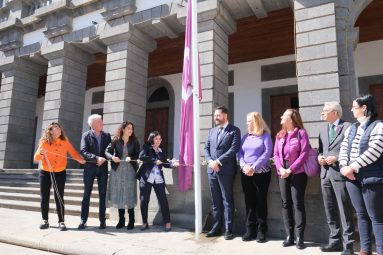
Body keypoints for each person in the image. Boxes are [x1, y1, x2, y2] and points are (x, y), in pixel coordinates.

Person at [339, 95, 383, 255]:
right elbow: (344, 149)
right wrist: (344, 166)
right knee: (360, 213)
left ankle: (380, 249)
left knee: (376, 216)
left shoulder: (379, 126)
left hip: (371, 177)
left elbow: (375, 150)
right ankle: (365, 249)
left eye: (354, 107)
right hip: (351, 177)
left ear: (364, 107)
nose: (351, 109)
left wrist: (353, 167)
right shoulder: (352, 128)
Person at [318, 102, 354, 255]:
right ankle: (334, 242)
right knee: (330, 209)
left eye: (325, 111)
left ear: (335, 112)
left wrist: (337, 158)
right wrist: (319, 157)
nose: (322, 113)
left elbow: (352, 148)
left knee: (344, 209)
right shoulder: (322, 129)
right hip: (325, 174)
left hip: (340, 174)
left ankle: (349, 245)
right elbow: (320, 150)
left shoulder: (348, 127)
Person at [34, 122, 85, 231]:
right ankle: (45, 220)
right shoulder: (44, 142)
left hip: (60, 172)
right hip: (45, 172)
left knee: (59, 196)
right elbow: (36, 158)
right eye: (55, 128)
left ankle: (61, 221)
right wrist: (42, 153)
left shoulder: (65, 142)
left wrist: (82, 160)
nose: (58, 129)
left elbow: (74, 154)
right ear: (51, 131)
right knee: (45, 196)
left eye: (58, 127)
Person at [273, 108, 309, 249]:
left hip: (298, 172)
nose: (281, 116)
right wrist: (281, 169)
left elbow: (304, 153)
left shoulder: (301, 133)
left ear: (292, 119)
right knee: (285, 203)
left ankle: (300, 237)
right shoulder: (280, 135)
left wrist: (290, 169)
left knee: (298, 204)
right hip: (282, 171)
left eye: (284, 115)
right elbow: (275, 154)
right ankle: (289, 236)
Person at [204, 106, 241, 240]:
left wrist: (218, 162)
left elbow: (234, 149)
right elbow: (206, 148)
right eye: (215, 116)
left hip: (225, 170)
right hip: (212, 170)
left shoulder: (234, 130)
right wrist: (210, 162)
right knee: (215, 201)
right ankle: (216, 227)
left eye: (218, 115)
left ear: (225, 116)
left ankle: (228, 229)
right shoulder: (212, 131)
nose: (215, 118)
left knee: (227, 200)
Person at [238, 112, 273, 242]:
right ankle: (250, 229)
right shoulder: (245, 136)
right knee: (249, 201)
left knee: (261, 201)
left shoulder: (265, 136)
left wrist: (254, 167)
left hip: (261, 174)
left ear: (256, 122)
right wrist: (244, 166)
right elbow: (240, 153)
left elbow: (267, 153)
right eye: (247, 121)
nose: (247, 123)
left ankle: (261, 230)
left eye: (249, 121)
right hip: (246, 173)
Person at [136, 131, 179, 232]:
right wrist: (154, 160)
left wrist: (173, 165)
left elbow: (164, 163)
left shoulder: (161, 150)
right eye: (156, 139)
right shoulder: (146, 147)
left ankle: (167, 222)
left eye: (160, 139)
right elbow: (141, 157)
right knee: (144, 200)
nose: (158, 141)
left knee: (163, 199)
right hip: (146, 177)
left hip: (158, 178)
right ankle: (144, 222)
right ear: (152, 139)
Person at [105, 121, 140, 230]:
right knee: (119, 193)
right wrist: (112, 157)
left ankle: (132, 220)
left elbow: (139, 153)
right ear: (123, 129)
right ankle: (121, 220)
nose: (131, 130)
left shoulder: (134, 141)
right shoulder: (116, 140)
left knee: (129, 193)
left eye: (132, 128)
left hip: (130, 170)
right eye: (129, 128)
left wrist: (131, 157)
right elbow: (107, 151)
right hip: (118, 170)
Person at [78, 114, 111, 229]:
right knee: (87, 194)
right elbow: (83, 151)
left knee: (103, 195)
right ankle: (83, 220)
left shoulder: (107, 136)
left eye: (101, 121)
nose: (102, 123)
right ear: (92, 124)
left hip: (103, 169)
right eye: (99, 122)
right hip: (89, 168)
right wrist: (96, 158)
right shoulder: (86, 136)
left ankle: (102, 220)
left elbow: (110, 151)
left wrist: (106, 158)